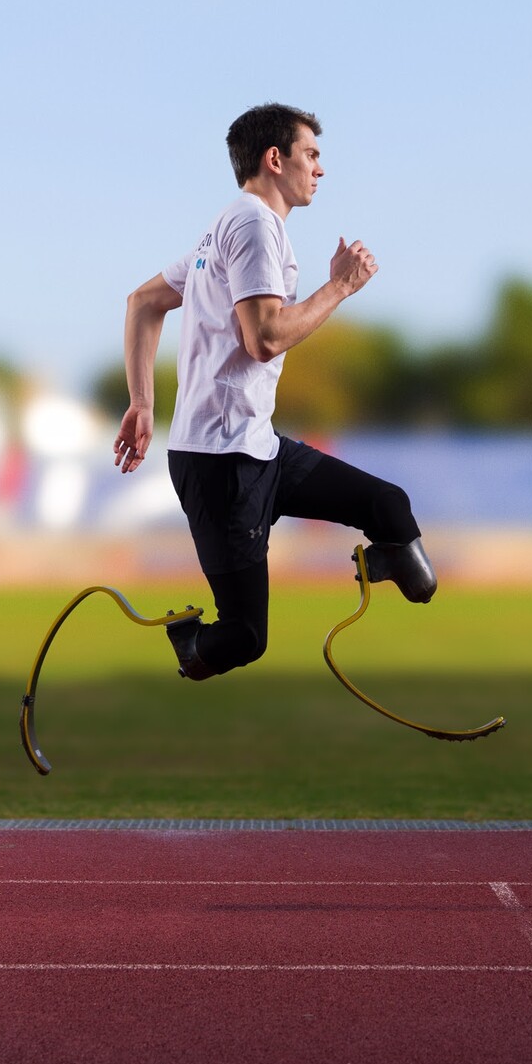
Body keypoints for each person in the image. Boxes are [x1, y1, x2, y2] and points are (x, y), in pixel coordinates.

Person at [112, 103, 438, 681]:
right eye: (311, 154)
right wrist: (339, 287)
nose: (320, 169)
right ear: (274, 158)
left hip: (258, 447)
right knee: (243, 637)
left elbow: (143, 304)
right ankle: (192, 646)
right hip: (220, 464)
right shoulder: (255, 226)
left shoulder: (225, 228)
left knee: (389, 507)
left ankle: (381, 562)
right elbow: (263, 339)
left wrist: (142, 402)